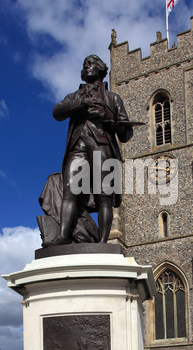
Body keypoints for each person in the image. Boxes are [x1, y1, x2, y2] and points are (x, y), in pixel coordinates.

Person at [44, 55, 133, 246]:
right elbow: (57, 112)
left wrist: (117, 125)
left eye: (90, 64)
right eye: (84, 65)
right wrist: (80, 104)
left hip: (102, 146)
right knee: (69, 192)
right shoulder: (75, 96)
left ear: (100, 69)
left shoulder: (112, 98)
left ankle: (102, 243)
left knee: (104, 197)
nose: (85, 68)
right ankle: (64, 236)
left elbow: (126, 133)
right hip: (78, 146)